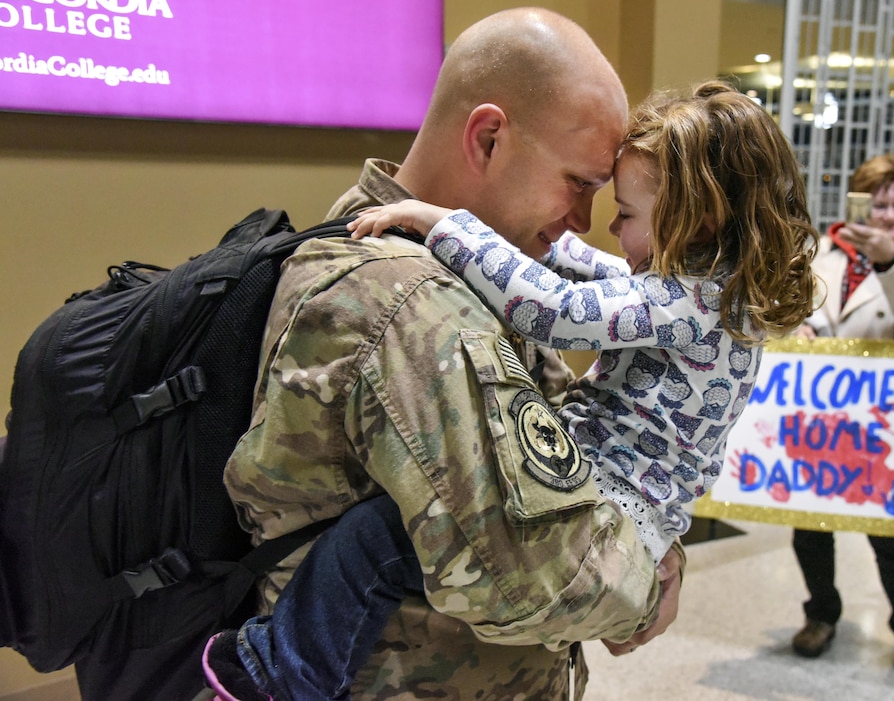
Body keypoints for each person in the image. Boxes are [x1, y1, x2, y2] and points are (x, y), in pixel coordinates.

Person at [206, 79, 820, 701]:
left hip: (611, 509)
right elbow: (583, 270)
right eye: (579, 184)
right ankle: (283, 676)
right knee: (376, 538)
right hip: (603, 532)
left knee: (375, 539)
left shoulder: (684, 299)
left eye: (625, 213)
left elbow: (552, 306)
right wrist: (642, 587)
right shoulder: (717, 296)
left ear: (699, 220)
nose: (597, 221)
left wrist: (443, 224)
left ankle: (277, 672)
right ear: (489, 139)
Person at [791, 154, 894, 682]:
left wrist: (890, 261)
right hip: (824, 412)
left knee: (890, 536)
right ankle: (822, 613)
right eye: (876, 203)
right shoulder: (828, 251)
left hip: (883, 420)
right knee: (810, 526)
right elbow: (804, 302)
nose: (886, 215)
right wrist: (805, 326)